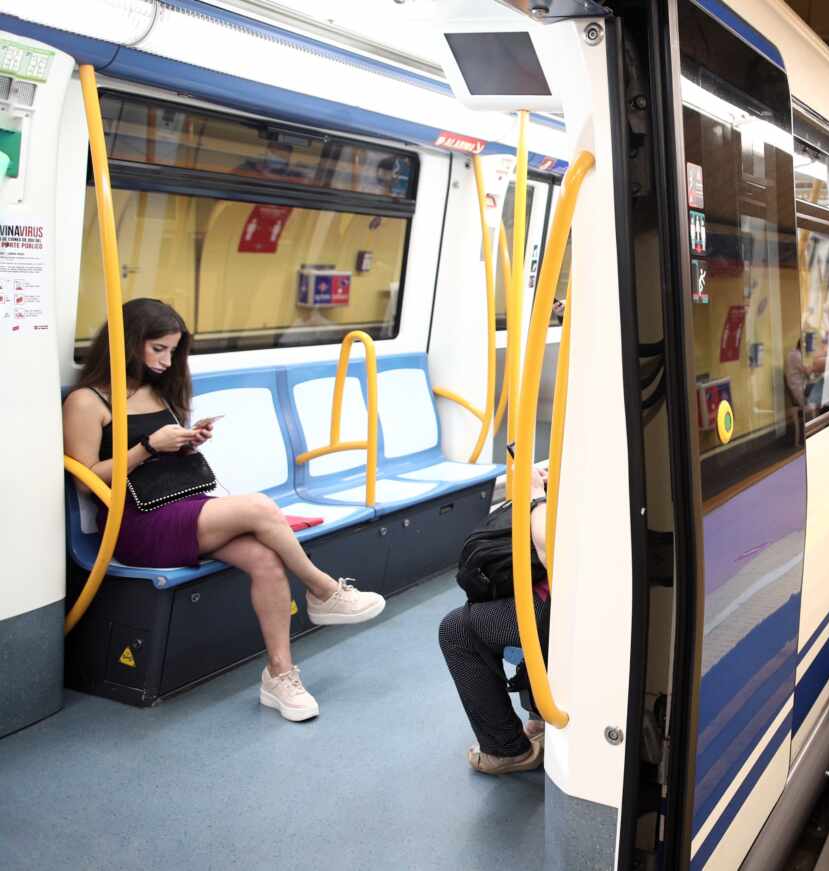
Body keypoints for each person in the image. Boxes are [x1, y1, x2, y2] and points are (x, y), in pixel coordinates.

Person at [62, 299, 386, 723]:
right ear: (128, 344)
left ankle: (280, 676)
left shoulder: (157, 390)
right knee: (259, 506)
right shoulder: (89, 401)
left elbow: (163, 453)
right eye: (157, 349)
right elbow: (84, 477)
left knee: (265, 560)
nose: (166, 360)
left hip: (183, 507)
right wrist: (146, 447)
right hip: (135, 525)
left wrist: (186, 441)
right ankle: (322, 589)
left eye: (173, 351)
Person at [438, 467, 551, 775]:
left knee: (457, 630)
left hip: (562, 606)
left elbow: (550, 552)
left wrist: (536, 497)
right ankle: (540, 715)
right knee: (505, 597)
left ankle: (506, 751)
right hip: (557, 598)